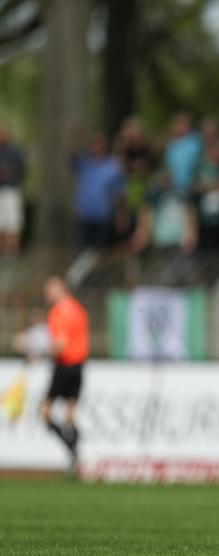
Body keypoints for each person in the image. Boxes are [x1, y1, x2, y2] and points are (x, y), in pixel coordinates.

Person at [41, 277, 89, 476]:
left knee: (45, 411)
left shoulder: (58, 312)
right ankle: (75, 455)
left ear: (61, 289)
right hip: (79, 366)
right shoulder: (79, 309)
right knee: (71, 413)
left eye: (50, 290)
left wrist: (43, 353)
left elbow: (60, 343)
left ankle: (70, 446)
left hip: (64, 366)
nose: (47, 294)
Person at [72, 133, 125, 249]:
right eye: (95, 144)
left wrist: (120, 216)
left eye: (100, 144)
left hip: (102, 216)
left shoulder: (113, 166)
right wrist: (75, 141)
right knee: (83, 251)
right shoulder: (85, 164)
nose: (97, 147)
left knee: (99, 251)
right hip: (85, 215)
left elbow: (120, 193)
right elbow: (72, 156)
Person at [0, 122, 26, 255]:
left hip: (11, 191)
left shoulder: (14, 151)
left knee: (13, 224)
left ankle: (12, 252)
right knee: (2, 225)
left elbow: (22, 170)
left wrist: (9, 174)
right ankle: (3, 253)